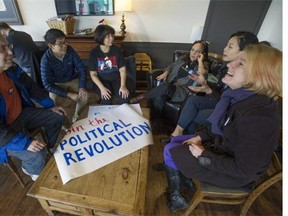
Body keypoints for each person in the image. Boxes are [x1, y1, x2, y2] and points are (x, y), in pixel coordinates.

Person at [162, 43, 281, 212]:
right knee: (176, 141)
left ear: (259, 76)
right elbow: (222, 125)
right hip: (223, 150)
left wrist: (204, 155)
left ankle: (176, 197)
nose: (229, 64)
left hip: (233, 174)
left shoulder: (259, 118)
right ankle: (184, 180)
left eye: (241, 63)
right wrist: (200, 137)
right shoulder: (240, 97)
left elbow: (244, 169)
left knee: (170, 149)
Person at [162, 31, 259, 143]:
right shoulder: (225, 67)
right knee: (192, 100)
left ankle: (184, 139)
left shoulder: (246, 75)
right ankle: (179, 135)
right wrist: (205, 86)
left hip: (228, 108)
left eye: (230, 46)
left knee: (192, 114)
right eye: (227, 45)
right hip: (217, 99)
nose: (225, 49)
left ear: (245, 52)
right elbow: (219, 92)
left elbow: (229, 102)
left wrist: (206, 87)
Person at [0, 34, 66, 181]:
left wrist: (51, 106)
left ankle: (47, 147)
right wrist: (26, 143)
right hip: (4, 135)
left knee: (58, 116)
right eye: (3, 48)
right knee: (37, 154)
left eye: (8, 46)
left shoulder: (12, 68)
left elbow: (32, 88)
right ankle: (32, 169)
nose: (11, 52)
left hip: (22, 114)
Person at [130, 40, 210, 113]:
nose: (193, 53)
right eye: (192, 50)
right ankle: (155, 120)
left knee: (166, 87)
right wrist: (166, 72)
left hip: (181, 91)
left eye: (197, 52)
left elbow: (202, 74)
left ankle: (142, 97)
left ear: (202, 54)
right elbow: (172, 65)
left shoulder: (203, 65)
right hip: (169, 85)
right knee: (159, 97)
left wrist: (200, 61)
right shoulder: (183, 58)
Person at [41, 29, 88, 123]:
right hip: (57, 83)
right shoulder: (45, 60)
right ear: (51, 46)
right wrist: (69, 94)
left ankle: (77, 115)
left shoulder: (70, 50)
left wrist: (82, 87)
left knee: (84, 97)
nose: (65, 45)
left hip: (72, 79)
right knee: (53, 104)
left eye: (65, 42)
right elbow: (47, 85)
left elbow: (81, 68)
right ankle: (64, 123)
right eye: (60, 44)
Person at [89, 24, 129, 105]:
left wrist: (123, 86)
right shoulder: (94, 53)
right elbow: (93, 74)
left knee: (124, 98)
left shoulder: (116, 50)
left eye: (112, 35)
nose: (112, 38)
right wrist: (102, 88)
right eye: (108, 36)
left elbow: (122, 70)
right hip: (102, 80)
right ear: (101, 37)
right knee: (106, 99)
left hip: (116, 79)